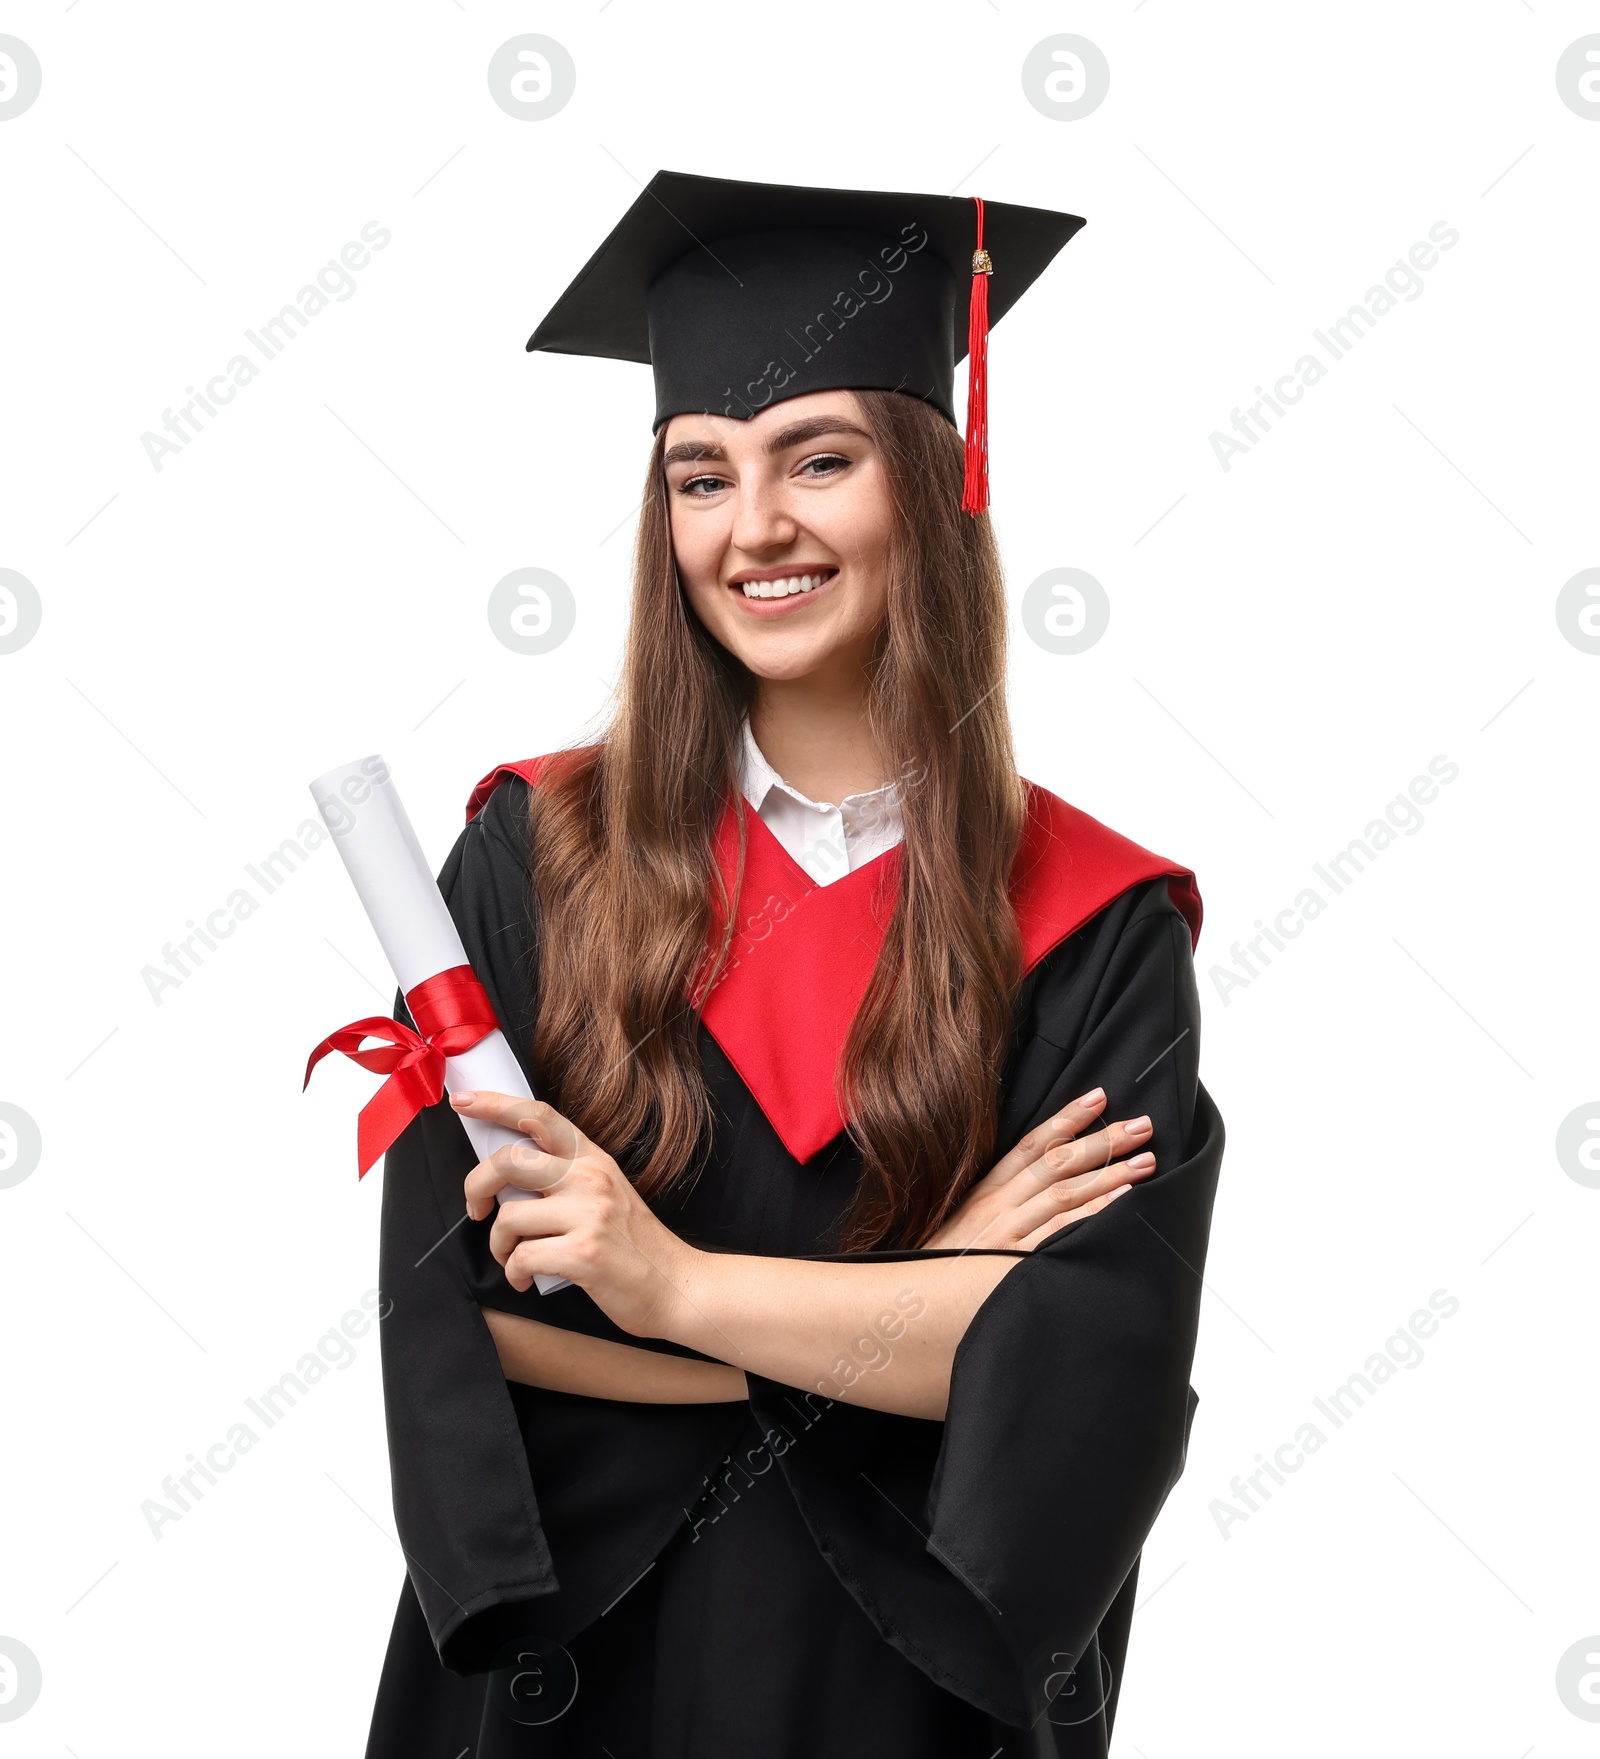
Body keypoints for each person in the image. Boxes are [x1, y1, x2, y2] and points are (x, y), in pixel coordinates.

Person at [355, 172, 1224, 1758]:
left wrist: (669, 1290)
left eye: (818, 459)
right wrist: (915, 1318)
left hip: (897, 1679)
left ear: (934, 485)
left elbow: (1083, 1385)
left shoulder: (1101, 929)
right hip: (572, 1676)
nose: (752, 527)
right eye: (701, 476)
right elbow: (464, 1322)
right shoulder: (531, 861)